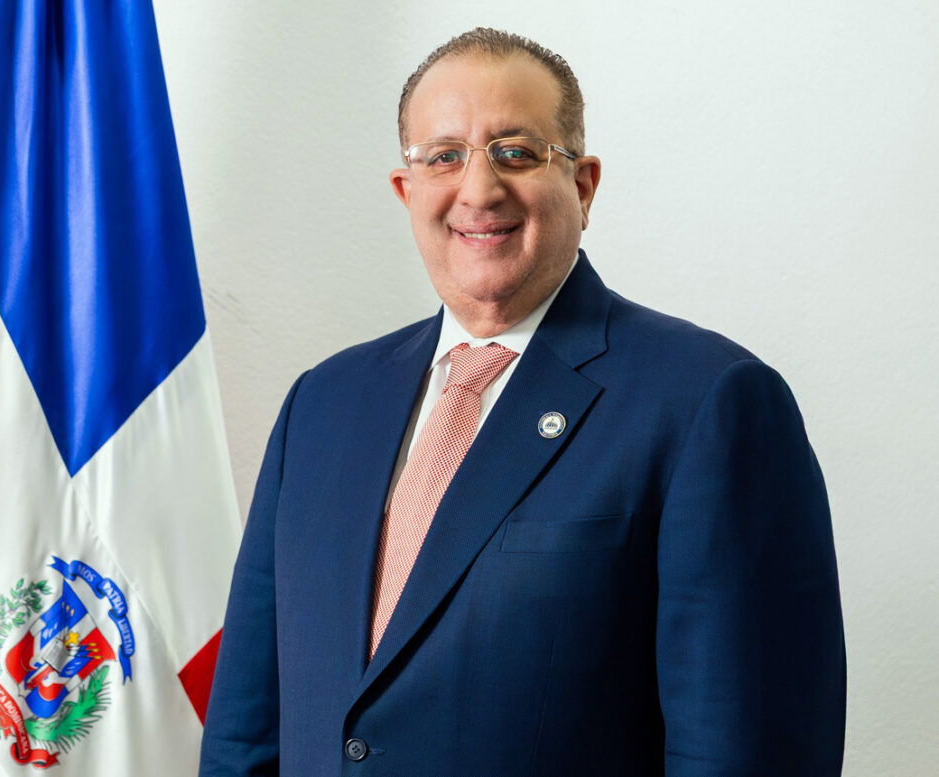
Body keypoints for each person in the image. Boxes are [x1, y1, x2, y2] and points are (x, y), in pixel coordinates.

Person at [199, 27, 845, 777]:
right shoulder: (322, 404)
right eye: (444, 156)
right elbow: (245, 737)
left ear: (583, 185)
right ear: (407, 191)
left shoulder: (709, 403)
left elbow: (742, 753)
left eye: (515, 151)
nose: (478, 190)